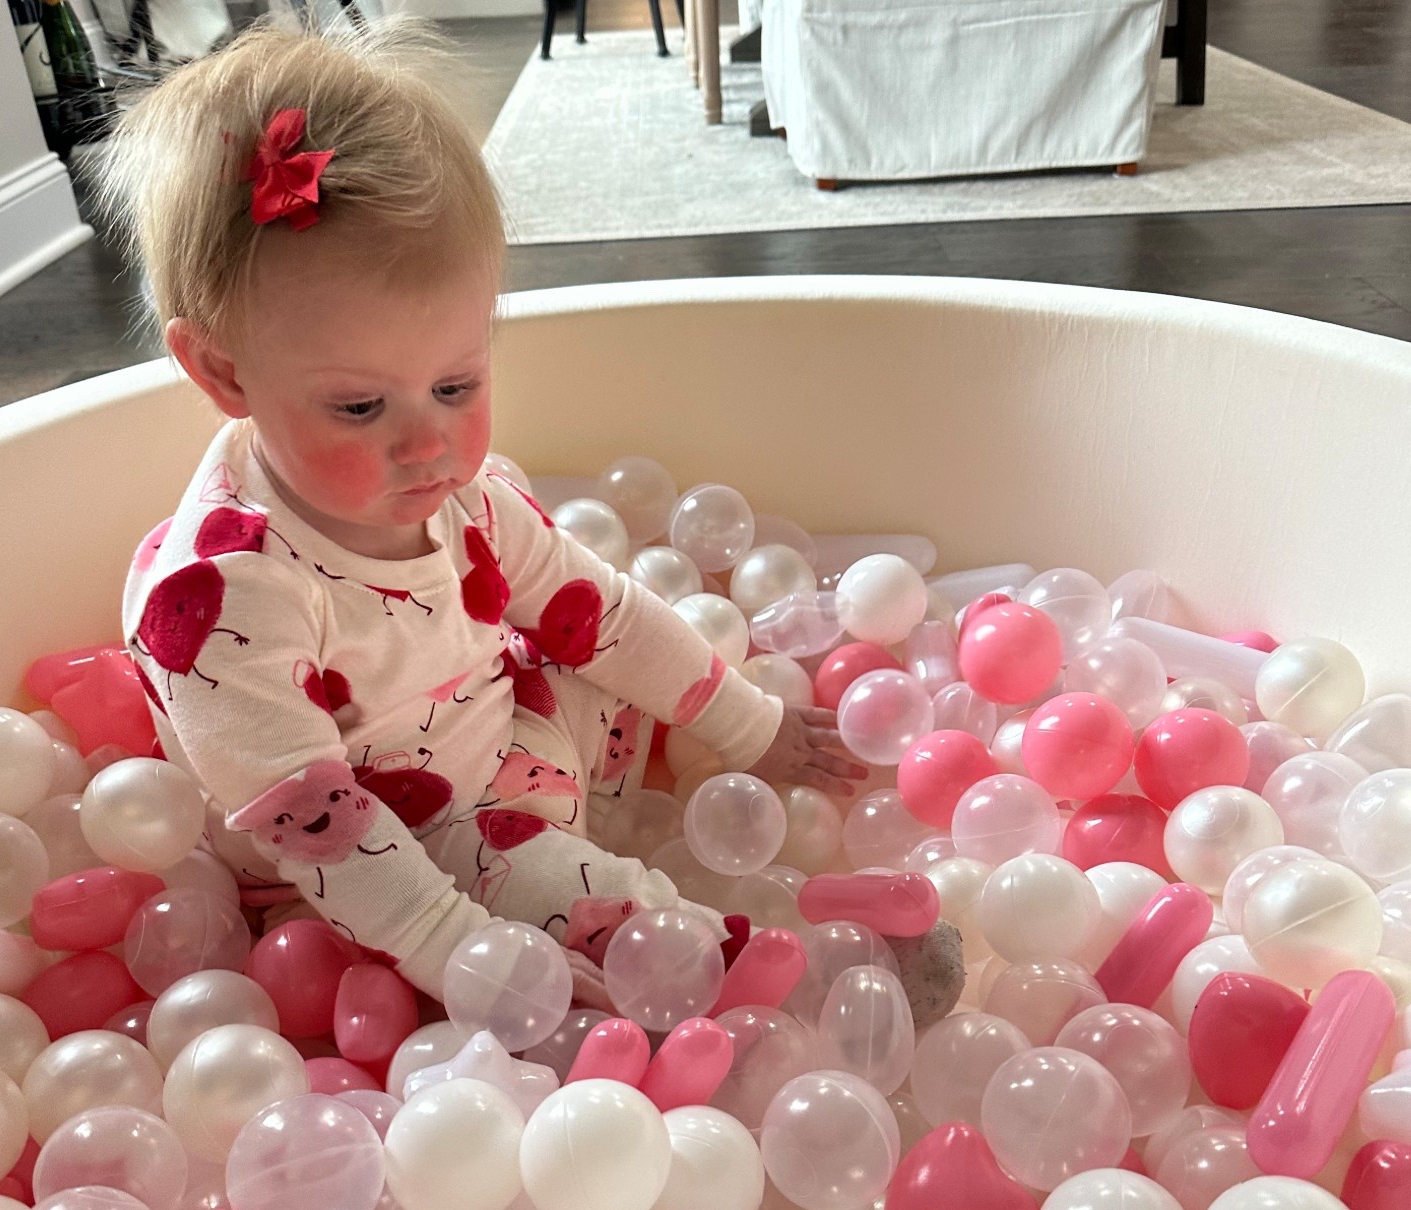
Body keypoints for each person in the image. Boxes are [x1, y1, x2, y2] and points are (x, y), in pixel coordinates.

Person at [92, 13, 863, 1004]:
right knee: (574, 893)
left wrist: (755, 727)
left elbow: (606, 612)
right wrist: (461, 950)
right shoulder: (226, 605)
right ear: (223, 371)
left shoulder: (464, 495)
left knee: (618, 658)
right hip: (386, 852)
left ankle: (620, 836)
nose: (427, 445)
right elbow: (320, 822)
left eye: (455, 385)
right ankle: (770, 980)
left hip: (504, 733)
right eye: (360, 406)